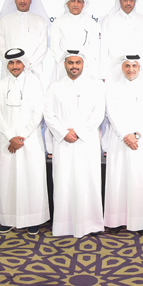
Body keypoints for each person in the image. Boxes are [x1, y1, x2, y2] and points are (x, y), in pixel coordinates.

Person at [43, 50, 106, 237]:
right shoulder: (54, 87)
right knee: (64, 182)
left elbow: (98, 114)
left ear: (83, 64)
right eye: (70, 62)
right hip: (63, 144)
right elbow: (48, 114)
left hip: (86, 144)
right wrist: (64, 133)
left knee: (87, 182)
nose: (74, 66)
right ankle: (64, 226)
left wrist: (77, 132)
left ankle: (90, 224)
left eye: (78, 62)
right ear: (64, 65)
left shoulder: (95, 87)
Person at [0, 48, 49, 235]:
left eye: (18, 62)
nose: (14, 66)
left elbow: (38, 112)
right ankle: (7, 219)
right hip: (7, 141)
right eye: (11, 63)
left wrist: (21, 136)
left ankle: (33, 219)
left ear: (24, 63)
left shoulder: (34, 83)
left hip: (29, 141)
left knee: (31, 179)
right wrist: (11, 136)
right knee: (7, 179)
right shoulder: (1, 84)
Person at [104, 54, 143, 233]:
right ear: (122, 68)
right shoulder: (113, 88)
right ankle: (116, 220)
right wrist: (124, 135)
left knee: (139, 179)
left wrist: (136, 134)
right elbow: (111, 114)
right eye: (127, 66)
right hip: (119, 141)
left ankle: (140, 221)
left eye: (134, 66)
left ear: (139, 68)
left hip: (140, 140)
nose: (131, 69)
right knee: (117, 178)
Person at [99, 0, 143, 81]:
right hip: (114, 71)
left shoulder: (142, 20)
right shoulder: (109, 20)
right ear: (120, 1)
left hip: (136, 72)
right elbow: (104, 48)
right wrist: (103, 73)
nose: (128, 3)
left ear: (135, 1)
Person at [0, 0, 49, 78]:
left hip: (33, 71)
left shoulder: (40, 21)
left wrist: (27, 64)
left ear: (31, 0)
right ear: (14, 0)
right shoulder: (4, 21)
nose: (22, 1)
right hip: (10, 72)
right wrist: (11, 64)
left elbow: (42, 48)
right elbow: (1, 46)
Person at [48, 0, 100, 82]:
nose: (76, 4)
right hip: (63, 66)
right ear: (67, 4)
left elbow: (94, 47)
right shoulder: (59, 21)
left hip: (85, 67)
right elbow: (54, 46)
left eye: (79, 1)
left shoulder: (91, 23)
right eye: (73, 1)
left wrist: (82, 63)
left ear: (83, 5)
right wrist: (66, 63)